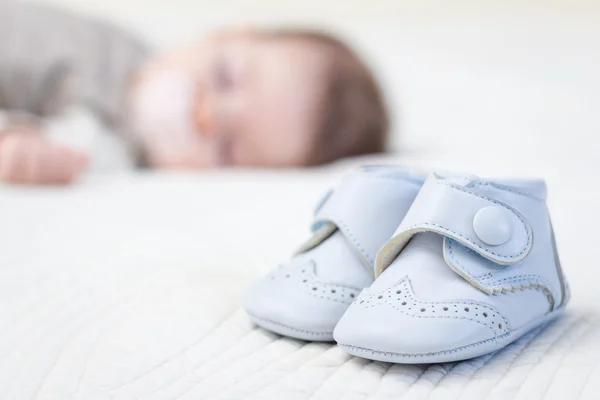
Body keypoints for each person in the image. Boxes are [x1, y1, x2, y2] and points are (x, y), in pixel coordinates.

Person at [0, 1, 388, 185]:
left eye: (228, 149)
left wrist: (31, 154)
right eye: (224, 77)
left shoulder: (115, 162)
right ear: (223, 35)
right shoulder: (91, 52)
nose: (208, 117)